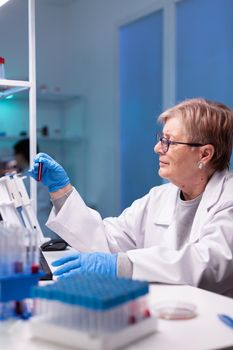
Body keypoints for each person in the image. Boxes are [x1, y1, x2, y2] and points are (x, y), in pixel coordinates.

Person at [29, 98, 233, 297]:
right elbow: (107, 241)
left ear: (205, 154)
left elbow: (208, 264)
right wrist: (62, 192)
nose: (157, 148)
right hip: (166, 311)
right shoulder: (159, 197)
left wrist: (125, 265)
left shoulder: (228, 199)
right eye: (161, 139)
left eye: (168, 142)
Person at [13, 138, 59, 240]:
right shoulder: (39, 172)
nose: (15, 158)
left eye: (15, 155)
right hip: (45, 225)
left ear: (21, 155)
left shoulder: (28, 177)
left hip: (39, 225)